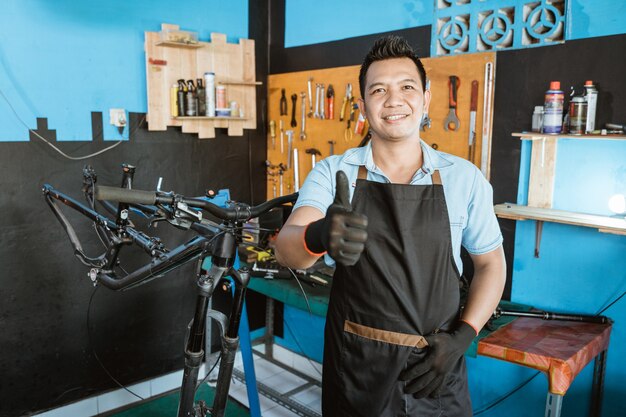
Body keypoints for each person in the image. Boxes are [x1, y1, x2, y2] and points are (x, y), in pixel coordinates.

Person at [274, 35, 506, 417]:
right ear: (362, 105)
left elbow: (490, 265)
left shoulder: (465, 178)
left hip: (434, 369)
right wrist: (317, 235)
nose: (394, 100)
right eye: (379, 90)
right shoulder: (334, 172)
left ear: (426, 99)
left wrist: (464, 336)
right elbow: (287, 251)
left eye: (407, 87)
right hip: (356, 369)